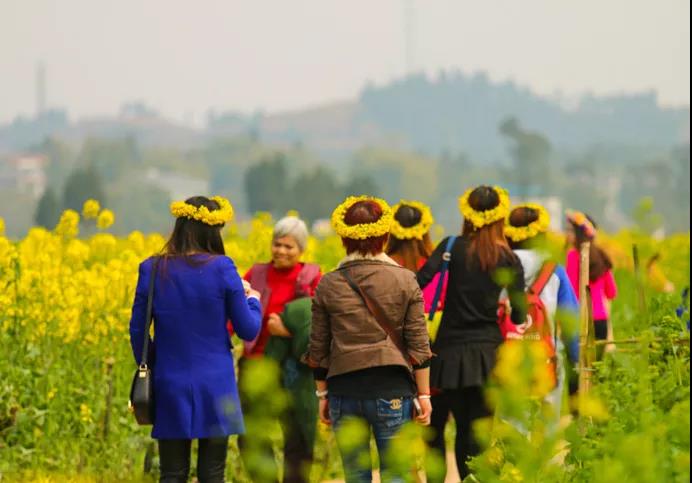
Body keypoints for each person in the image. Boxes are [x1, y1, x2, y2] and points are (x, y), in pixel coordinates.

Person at [129, 196, 262, 483]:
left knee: (172, 472)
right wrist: (253, 301)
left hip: (170, 381)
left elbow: (138, 331)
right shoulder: (223, 268)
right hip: (216, 384)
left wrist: (157, 364)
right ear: (212, 230)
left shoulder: (151, 269)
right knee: (212, 473)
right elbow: (248, 330)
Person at [308, 196, 433, 483]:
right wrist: (424, 396)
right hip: (391, 389)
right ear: (386, 236)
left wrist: (322, 395)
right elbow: (419, 344)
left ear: (344, 238)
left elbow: (318, 347)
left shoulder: (329, 283)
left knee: (355, 475)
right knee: (396, 474)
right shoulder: (405, 280)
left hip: (343, 390)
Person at [417, 185, 526, 480]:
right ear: (498, 216)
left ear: (467, 212)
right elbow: (520, 314)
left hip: (448, 353)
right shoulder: (508, 259)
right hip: (488, 356)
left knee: (447, 428)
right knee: (476, 434)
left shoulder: (451, 246)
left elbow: (418, 282)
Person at [238, 215, 321, 482]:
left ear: (301, 250)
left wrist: (287, 330)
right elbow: (236, 311)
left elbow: (321, 322)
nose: (281, 251)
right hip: (257, 363)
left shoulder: (311, 277)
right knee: (251, 433)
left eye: (289, 246)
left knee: (297, 433)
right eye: (277, 244)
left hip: (294, 368)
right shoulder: (256, 274)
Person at [505, 203, 580, 428]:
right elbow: (570, 320)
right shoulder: (554, 269)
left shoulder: (498, 264)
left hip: (506, 360)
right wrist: (575, 359)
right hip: (546, 360)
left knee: (510, 428)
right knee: (547, 429)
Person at [264, 297, 318, 483]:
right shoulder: (306, 309)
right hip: (296, 382)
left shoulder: (303, 308)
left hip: (291, 381)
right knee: (299, 440)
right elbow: (306, 349)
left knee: (297, 441)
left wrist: (288, 333)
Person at [565, 211, 618, 359]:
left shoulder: (573, 256)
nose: (567, 234)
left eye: (570, 230)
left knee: (580, 368)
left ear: (580, 234)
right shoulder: (601, 256)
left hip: (581, 319)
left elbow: (572, 293)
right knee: (596, 368)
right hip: (601, 320)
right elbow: (612, 292)